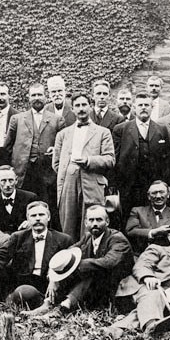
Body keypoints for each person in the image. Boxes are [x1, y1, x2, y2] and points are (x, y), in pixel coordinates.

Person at [29, 204, 133, 317]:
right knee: (71, 266)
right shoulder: (88, 237)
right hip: (94, 289)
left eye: (99, 220)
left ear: (107, 222)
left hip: (115, 287)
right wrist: (54, 276)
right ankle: (47, 304)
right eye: (91, 220)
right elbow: (68, 253)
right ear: (85, 223)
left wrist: (74, 266)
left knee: (90, 271)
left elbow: (108, 262)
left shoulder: (117, 239)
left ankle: (63, 308)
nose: (95, 224)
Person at [107, 220, 170, 337]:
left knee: (155, 304)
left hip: (167, 301)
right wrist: (148, 276)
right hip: (143, 288)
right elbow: (142, 264)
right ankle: (152, 325)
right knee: (153, 294)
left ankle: (116, 329)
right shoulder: (158, 249)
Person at [0, 200, 73, 308]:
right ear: (28, 219)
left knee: (25, 292)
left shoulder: (63, 239)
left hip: (47, 287)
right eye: (33, 215)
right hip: (21, 282)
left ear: (48, 217)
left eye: (41, 215)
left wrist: (55, 279)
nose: (37, 218)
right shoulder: (19, 237)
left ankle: (16, 304)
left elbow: (70, 268)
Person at [53, 92, 116, 238]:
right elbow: (56, 163)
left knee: (92, 225)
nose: (81, 109)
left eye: (84, 105)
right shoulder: (63, 134)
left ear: (90, 106)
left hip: (92, 183)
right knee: (68, 225)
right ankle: (70, 257)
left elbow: (110, 159)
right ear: (73, 109)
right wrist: (70, 172)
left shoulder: (103, 133)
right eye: (77, 106)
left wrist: (88, 161)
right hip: (68, 185)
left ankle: (90, 257)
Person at [112, 92, 170, 217]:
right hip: (129, 186)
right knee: (128, 219)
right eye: (140, 105)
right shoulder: (120, 129)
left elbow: (167, 160)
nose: (143, 107)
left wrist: (165, 183)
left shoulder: (161, 130)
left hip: (153, 186)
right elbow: (115, 160)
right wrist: (116, 185)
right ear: (134, 107)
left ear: (152, 107)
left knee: (153, 218)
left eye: (146, 105)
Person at [6, 82, 60, 214]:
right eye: (33, 95)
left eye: (40, 95)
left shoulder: (57, 120)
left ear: (45, 97)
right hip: (24, 171)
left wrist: (56, 150)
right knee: (24, 205)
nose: (37, 98)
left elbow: (63, 145)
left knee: (47, 206)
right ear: (29, 98)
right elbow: (7, 147)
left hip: (47, 172)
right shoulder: (17, 119)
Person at [124, 180, 170, 253]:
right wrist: (153, 232)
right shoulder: (138, 211)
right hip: (141, 255)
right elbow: (130, 231)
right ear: (148, 196)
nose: (158, 196)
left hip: (167, 257)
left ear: (168, 194)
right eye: (154, 193)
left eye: (161, 192)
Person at [0, 165, 39, 234]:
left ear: (16, 180)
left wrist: (31, 223)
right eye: (3, 181)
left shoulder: (30, 198)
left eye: (11, 180)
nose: (8, 184)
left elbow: (40, 220)